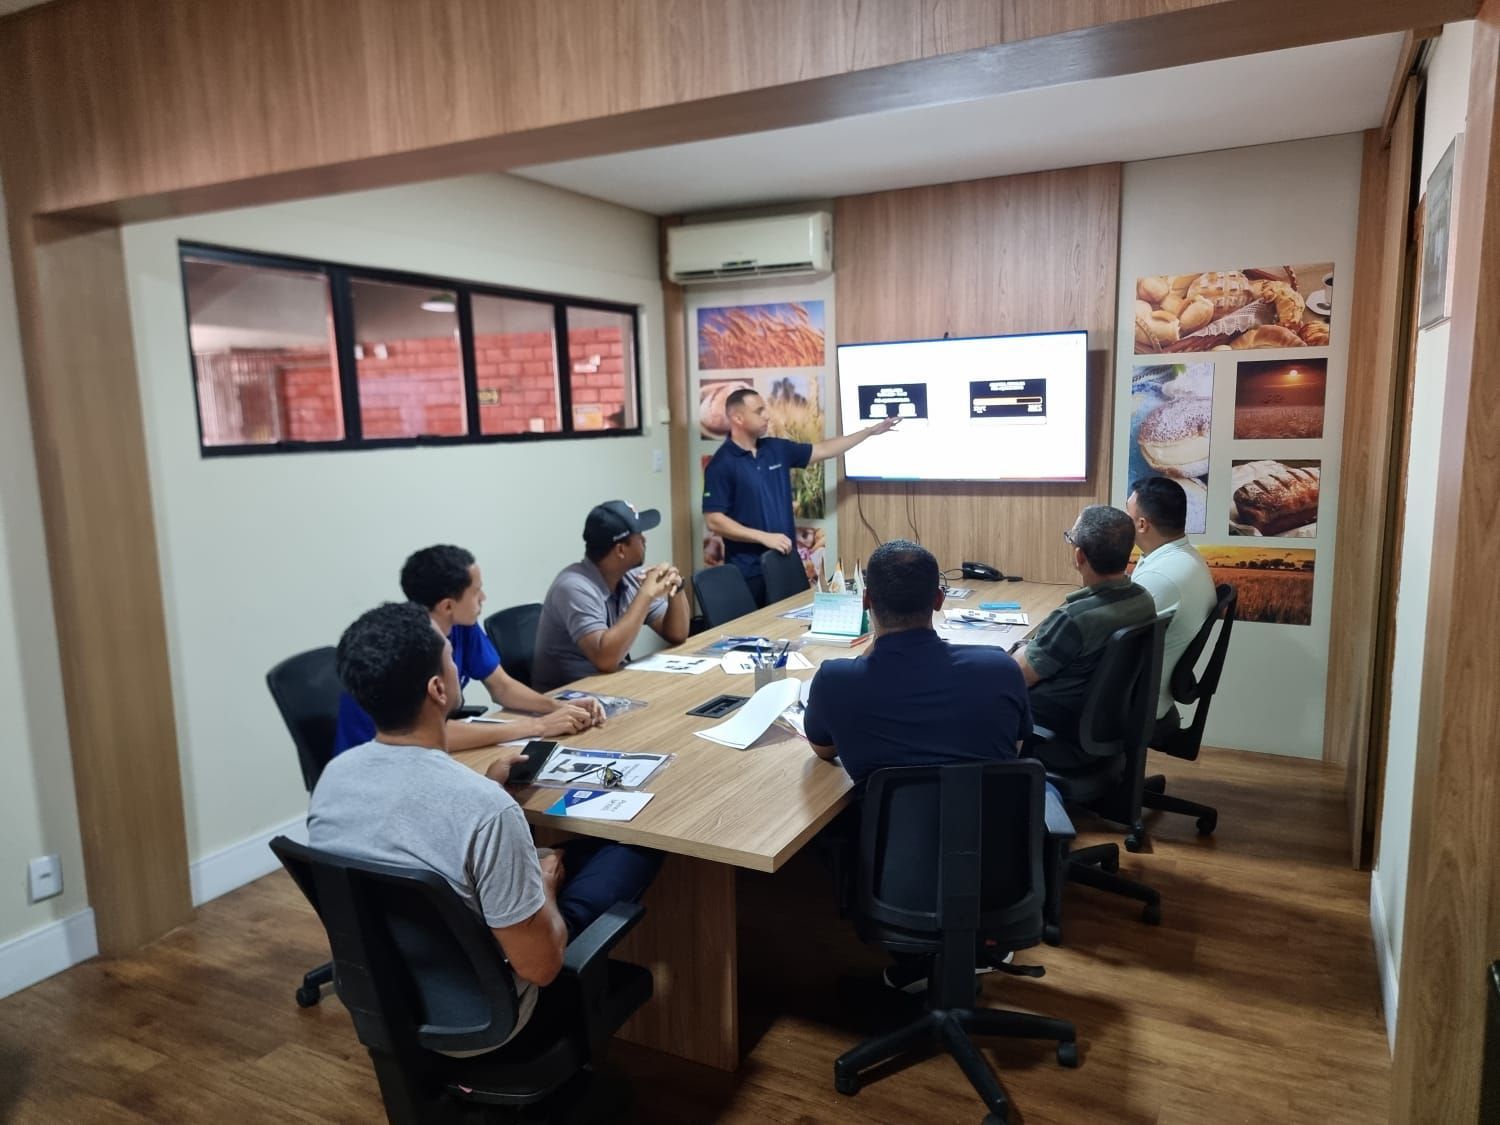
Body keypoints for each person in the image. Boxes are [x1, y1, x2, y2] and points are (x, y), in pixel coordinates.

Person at [310, 602, 661, 1047]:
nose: (459, 665)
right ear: (438, 689)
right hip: (493, 1017)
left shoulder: (333, 780)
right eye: (451, 659)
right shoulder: (487, 811)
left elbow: (404, 827)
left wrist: (484, 787)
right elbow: (540, 967)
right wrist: (545, 882)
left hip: (388, 999)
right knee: (632, 848)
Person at [803, 539, 1031, 992]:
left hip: (897, 879)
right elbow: (1017, 748)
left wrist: (871, 654)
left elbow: (823, 750)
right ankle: (976, 940)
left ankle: (914, 951)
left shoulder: (836, 680)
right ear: (940, 601)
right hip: (999, 874)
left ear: (866, 603)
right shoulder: (999, 669)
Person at [331, 545, 601, 766]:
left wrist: (560, 708)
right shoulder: (406, 650)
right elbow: (431, 731)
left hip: (425, 754)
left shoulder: (462, 627)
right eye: (476, 591)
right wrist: (537, 726)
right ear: (448, 605)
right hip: (380, 765)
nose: (483, 597)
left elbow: (502, 686)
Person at [702, 388, 898, 603]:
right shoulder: (722, 464)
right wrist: (764, 537)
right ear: (737, 418)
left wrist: (869, 431)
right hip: (749, 571)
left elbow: (824, 450)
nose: (767, 415)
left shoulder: (775, 449)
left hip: (785, 564)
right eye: (759, 411)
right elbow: (714, 521)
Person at [1015, 505, 1157, 765]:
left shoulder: (1075, 618)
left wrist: (1022, 648)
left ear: (1079, 556)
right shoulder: (1143, 599)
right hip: (1106, 720)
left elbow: (1020, 675)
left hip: (1059, 721)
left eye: (1070, 538)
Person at [531, 501, 691, 693]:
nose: (645, 539)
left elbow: (677, 634)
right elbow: (605, 660)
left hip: (609, 687)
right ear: (621, 550)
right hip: (567, 700)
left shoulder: (629, 576)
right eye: (639, 535)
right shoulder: (573, 587)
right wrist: (646, 594)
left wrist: (677, 588)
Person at [1126, 476, 1218, 738]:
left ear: (1142, 524)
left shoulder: (1162, 577)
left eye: (1127, 513)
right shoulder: (1183, 558)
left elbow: (1110, 643)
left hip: (1137, 703)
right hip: (1155, 692)